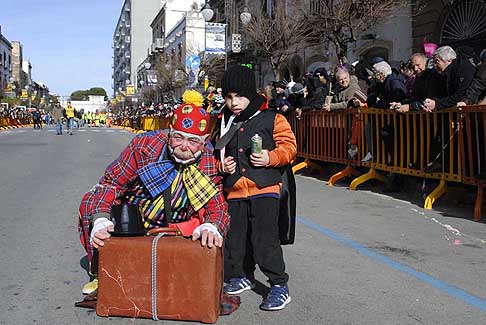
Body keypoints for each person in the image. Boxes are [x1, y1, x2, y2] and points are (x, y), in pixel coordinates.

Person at [78, 90, 230, 295]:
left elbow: (218, 207)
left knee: (210, 230)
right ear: (169, 133)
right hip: (133, 222)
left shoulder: (208, 160)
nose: (184, 146)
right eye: (178, 137)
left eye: (193, 141)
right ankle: (101, 270)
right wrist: (101, 219)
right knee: (90, 202)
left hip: (176, 229)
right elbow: (110, 184)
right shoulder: (144, 146)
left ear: (203, 142)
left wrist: (212, 226)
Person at [215, 65, 296, 311]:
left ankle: (279, 285)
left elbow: (289, 147)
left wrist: (270, 158)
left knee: (265, 240)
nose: (233, 102)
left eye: (239, 96)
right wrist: (222, 166)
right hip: (235, 191)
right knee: (236, 240)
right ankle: (242, 276)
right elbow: (214, 151)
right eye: (229, 97)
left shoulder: (272, 117)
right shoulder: (223, 122)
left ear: (251, 93)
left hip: (265, 189)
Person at [423, 45, 476, 112]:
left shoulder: (464, 69)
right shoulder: (441, 73)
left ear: (449, 60)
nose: (435, 66)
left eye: (437, 61)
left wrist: (437, 104)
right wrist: (432, 102)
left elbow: (460, 95)